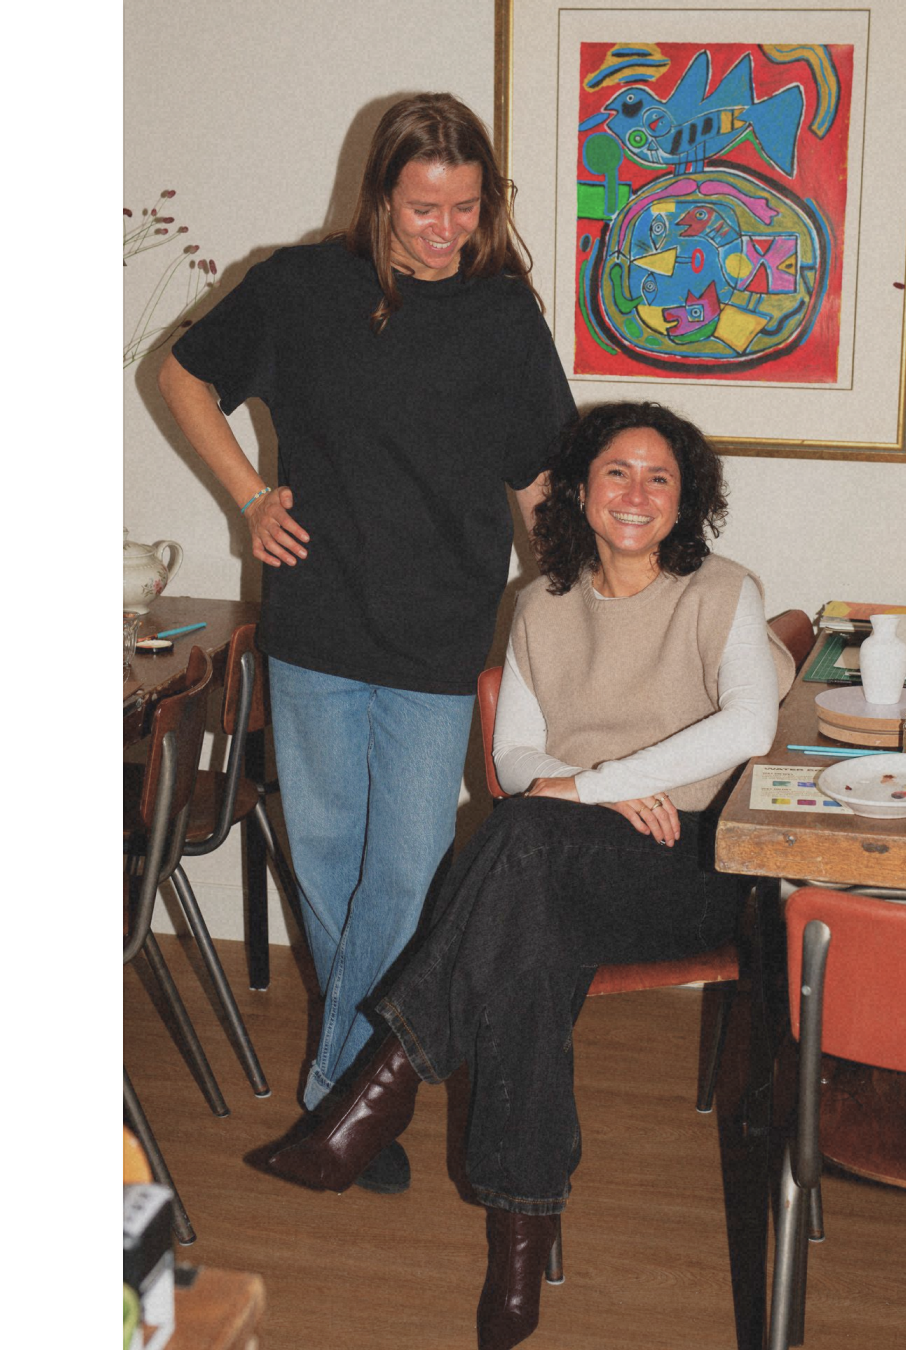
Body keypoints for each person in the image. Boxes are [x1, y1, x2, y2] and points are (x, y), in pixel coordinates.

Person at [261, 401, 795, 1350]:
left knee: (519, 848)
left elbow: (747, 730)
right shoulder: (541, 602)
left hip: (692, 865)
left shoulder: (724, 590)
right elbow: (512, 759)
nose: (635, 493)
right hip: (555, 861)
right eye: (616, 473)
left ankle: (373, 1091)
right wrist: (579, 799)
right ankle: (514, 1250)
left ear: (687, 498)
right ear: (581, 492)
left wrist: (593, 786)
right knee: (522, 940)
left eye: (659, 476)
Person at [158, 93, 576, 1194]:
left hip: (440, 632)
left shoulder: (501, 313)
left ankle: (337, 1101)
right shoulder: (301, 288)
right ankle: (358, 1104)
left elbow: (539, 477)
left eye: (465, 208)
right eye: (423, 209)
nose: (444, 231)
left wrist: (573, 596)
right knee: (332, 862)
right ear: (380, 197)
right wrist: (250, 497)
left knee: (400, 878)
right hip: (315, 622)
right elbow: (179, 375)